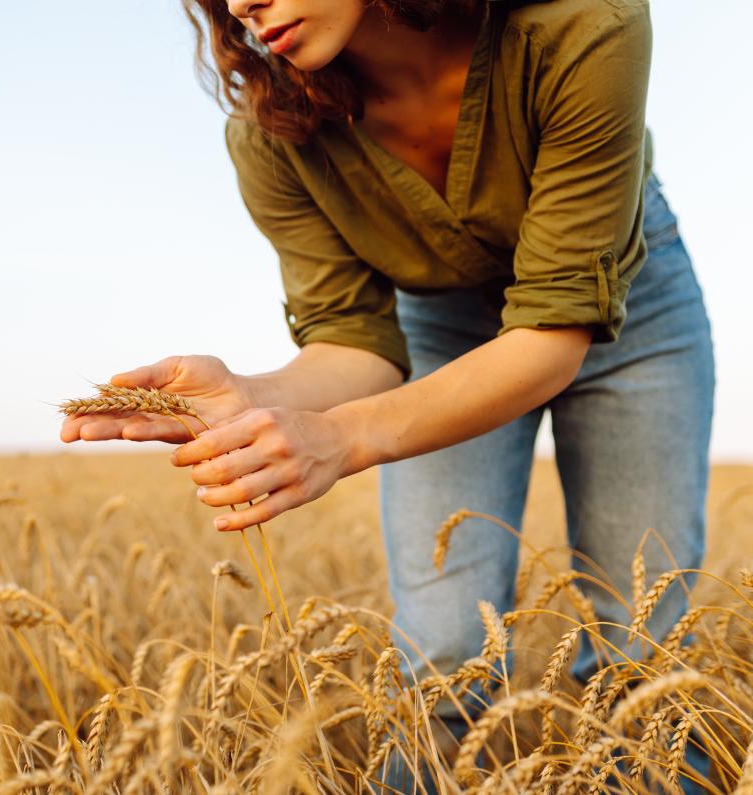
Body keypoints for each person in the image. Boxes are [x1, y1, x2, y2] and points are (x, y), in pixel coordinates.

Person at [60, 0, 714, 790]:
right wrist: (250, 393)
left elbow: (551, 335)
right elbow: (357, 345)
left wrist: (344, 440)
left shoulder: (585, 19)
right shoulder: (272, 132)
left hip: (629, 302)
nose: (240, 5)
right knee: (441, 649)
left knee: (642, 638)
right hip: (440, 322)